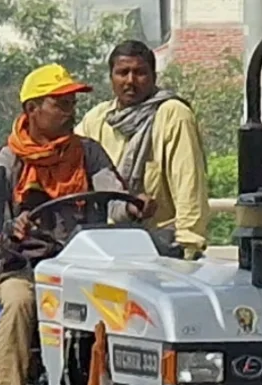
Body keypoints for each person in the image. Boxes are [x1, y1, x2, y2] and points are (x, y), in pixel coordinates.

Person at [0, 63, 153, 385]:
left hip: (86, 268)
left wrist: (132, 207)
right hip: (26, 269)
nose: (70, 111)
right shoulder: (6, 161)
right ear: (32, 109)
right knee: (18, 304)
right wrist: (11, 231)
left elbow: (112, 198)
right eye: (60, 103)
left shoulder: (88, 154)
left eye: (72, 103)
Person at [76, 40, 211, 260]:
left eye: (139, 73)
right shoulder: (98, 119)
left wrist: (189, 248)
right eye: (123, 72)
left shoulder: (172, 114)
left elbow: (189, 185)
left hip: (160, 247)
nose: (130, 81)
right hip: (106, 247)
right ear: (111, 78)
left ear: (154, 77)